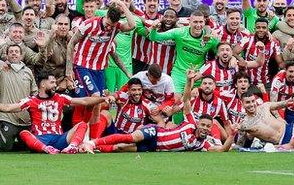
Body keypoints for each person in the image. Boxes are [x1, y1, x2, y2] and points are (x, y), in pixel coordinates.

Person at [83, 70, 235, 153]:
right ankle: (92, 142)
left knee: (120, 148)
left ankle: (91, 148)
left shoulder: (201, 145)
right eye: (203, 125)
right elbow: (187, 100)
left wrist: (232, 136)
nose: (205, 128)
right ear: (198, 123)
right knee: (130, 138)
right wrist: (190, 81)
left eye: (208, 127)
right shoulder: (190, 123)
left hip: (155, 147)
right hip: (155, 132)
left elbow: (221, 149)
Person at [0, 72, 113, 154]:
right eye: (52, 82)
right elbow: (8, 108)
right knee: (24, 133)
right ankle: (46, 149)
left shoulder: (60, 98)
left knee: (82, 125)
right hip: (41, 139)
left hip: (59, 138)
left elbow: (85, 101)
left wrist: (103, 99)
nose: (55, 85)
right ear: (42, 84)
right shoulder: (31, 101)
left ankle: (71, 147)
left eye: (55, 83)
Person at [66, 0, 136, 97]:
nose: (109, 28)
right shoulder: (89, 24)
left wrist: (122, 5)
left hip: (100, 69)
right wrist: (68, 69)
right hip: (83, 66)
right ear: (106, 16)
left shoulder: (117, 27)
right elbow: (71, 44)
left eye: (112, 26)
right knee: (95, 95)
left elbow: (133, 25)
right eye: (107, 24)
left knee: (100, 100)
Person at [148, 10, 219, 95]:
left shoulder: (211, 39)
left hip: (198, 76)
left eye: (201, 22)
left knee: (194, 103)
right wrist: (153, 28)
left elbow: (219, 55)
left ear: (204, 23)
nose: (198, 25)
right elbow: (154, 37)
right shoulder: (180, 32)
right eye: (195, 22)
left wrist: (232, 58)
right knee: (176, 101)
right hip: (179, 74)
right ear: (189, 22)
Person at [0, 41, 37, 151]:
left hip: (26, 120)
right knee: (2, 148)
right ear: (7, 55)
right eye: (11, 52)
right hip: (7, 118)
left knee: (29, 148)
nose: (14, 54)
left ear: (21, 56)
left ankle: (16, 143)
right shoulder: (1, 69)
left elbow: (35, 93)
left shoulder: (28, 71)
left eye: (16, 52)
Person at [234, 18, 282, 90]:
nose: (261, 30)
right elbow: (234, 52)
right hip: (248, 82)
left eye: (264, 28)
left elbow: (280, 63)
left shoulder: (274, 43)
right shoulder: (247, 39)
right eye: (258, 27)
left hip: (265, 82)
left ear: (267, 29)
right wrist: (241, 60)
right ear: (254, 28)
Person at [132, 0, 162, 73]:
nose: (152, 3)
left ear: (158, 4)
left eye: (155, 1)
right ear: (144, 4)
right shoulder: (138, 17)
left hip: (156, 61)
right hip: (138, 59)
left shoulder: (163, 18)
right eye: (149, 0)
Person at [147, 8, 178, 75]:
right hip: (153, 69)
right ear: (162, 17)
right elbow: (142, 19)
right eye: (166, 16)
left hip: (171, 71)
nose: (168, 19)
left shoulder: (179, 32)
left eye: (172, 17)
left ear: (176, 19)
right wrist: (154, 26)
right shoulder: (155, 28)